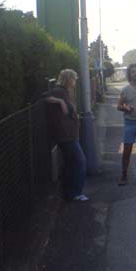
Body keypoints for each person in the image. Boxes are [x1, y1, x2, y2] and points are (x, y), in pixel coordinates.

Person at [44, 69, 88, 201]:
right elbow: (44, 96)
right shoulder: (59, 91)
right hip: (66, 136)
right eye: (74, 79)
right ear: (68, 79)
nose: (75, 82)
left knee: (71, 164)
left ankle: (69, 193)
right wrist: (60, 102)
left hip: (69, 135)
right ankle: (75, 193)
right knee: (80, 163)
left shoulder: (65, 92)